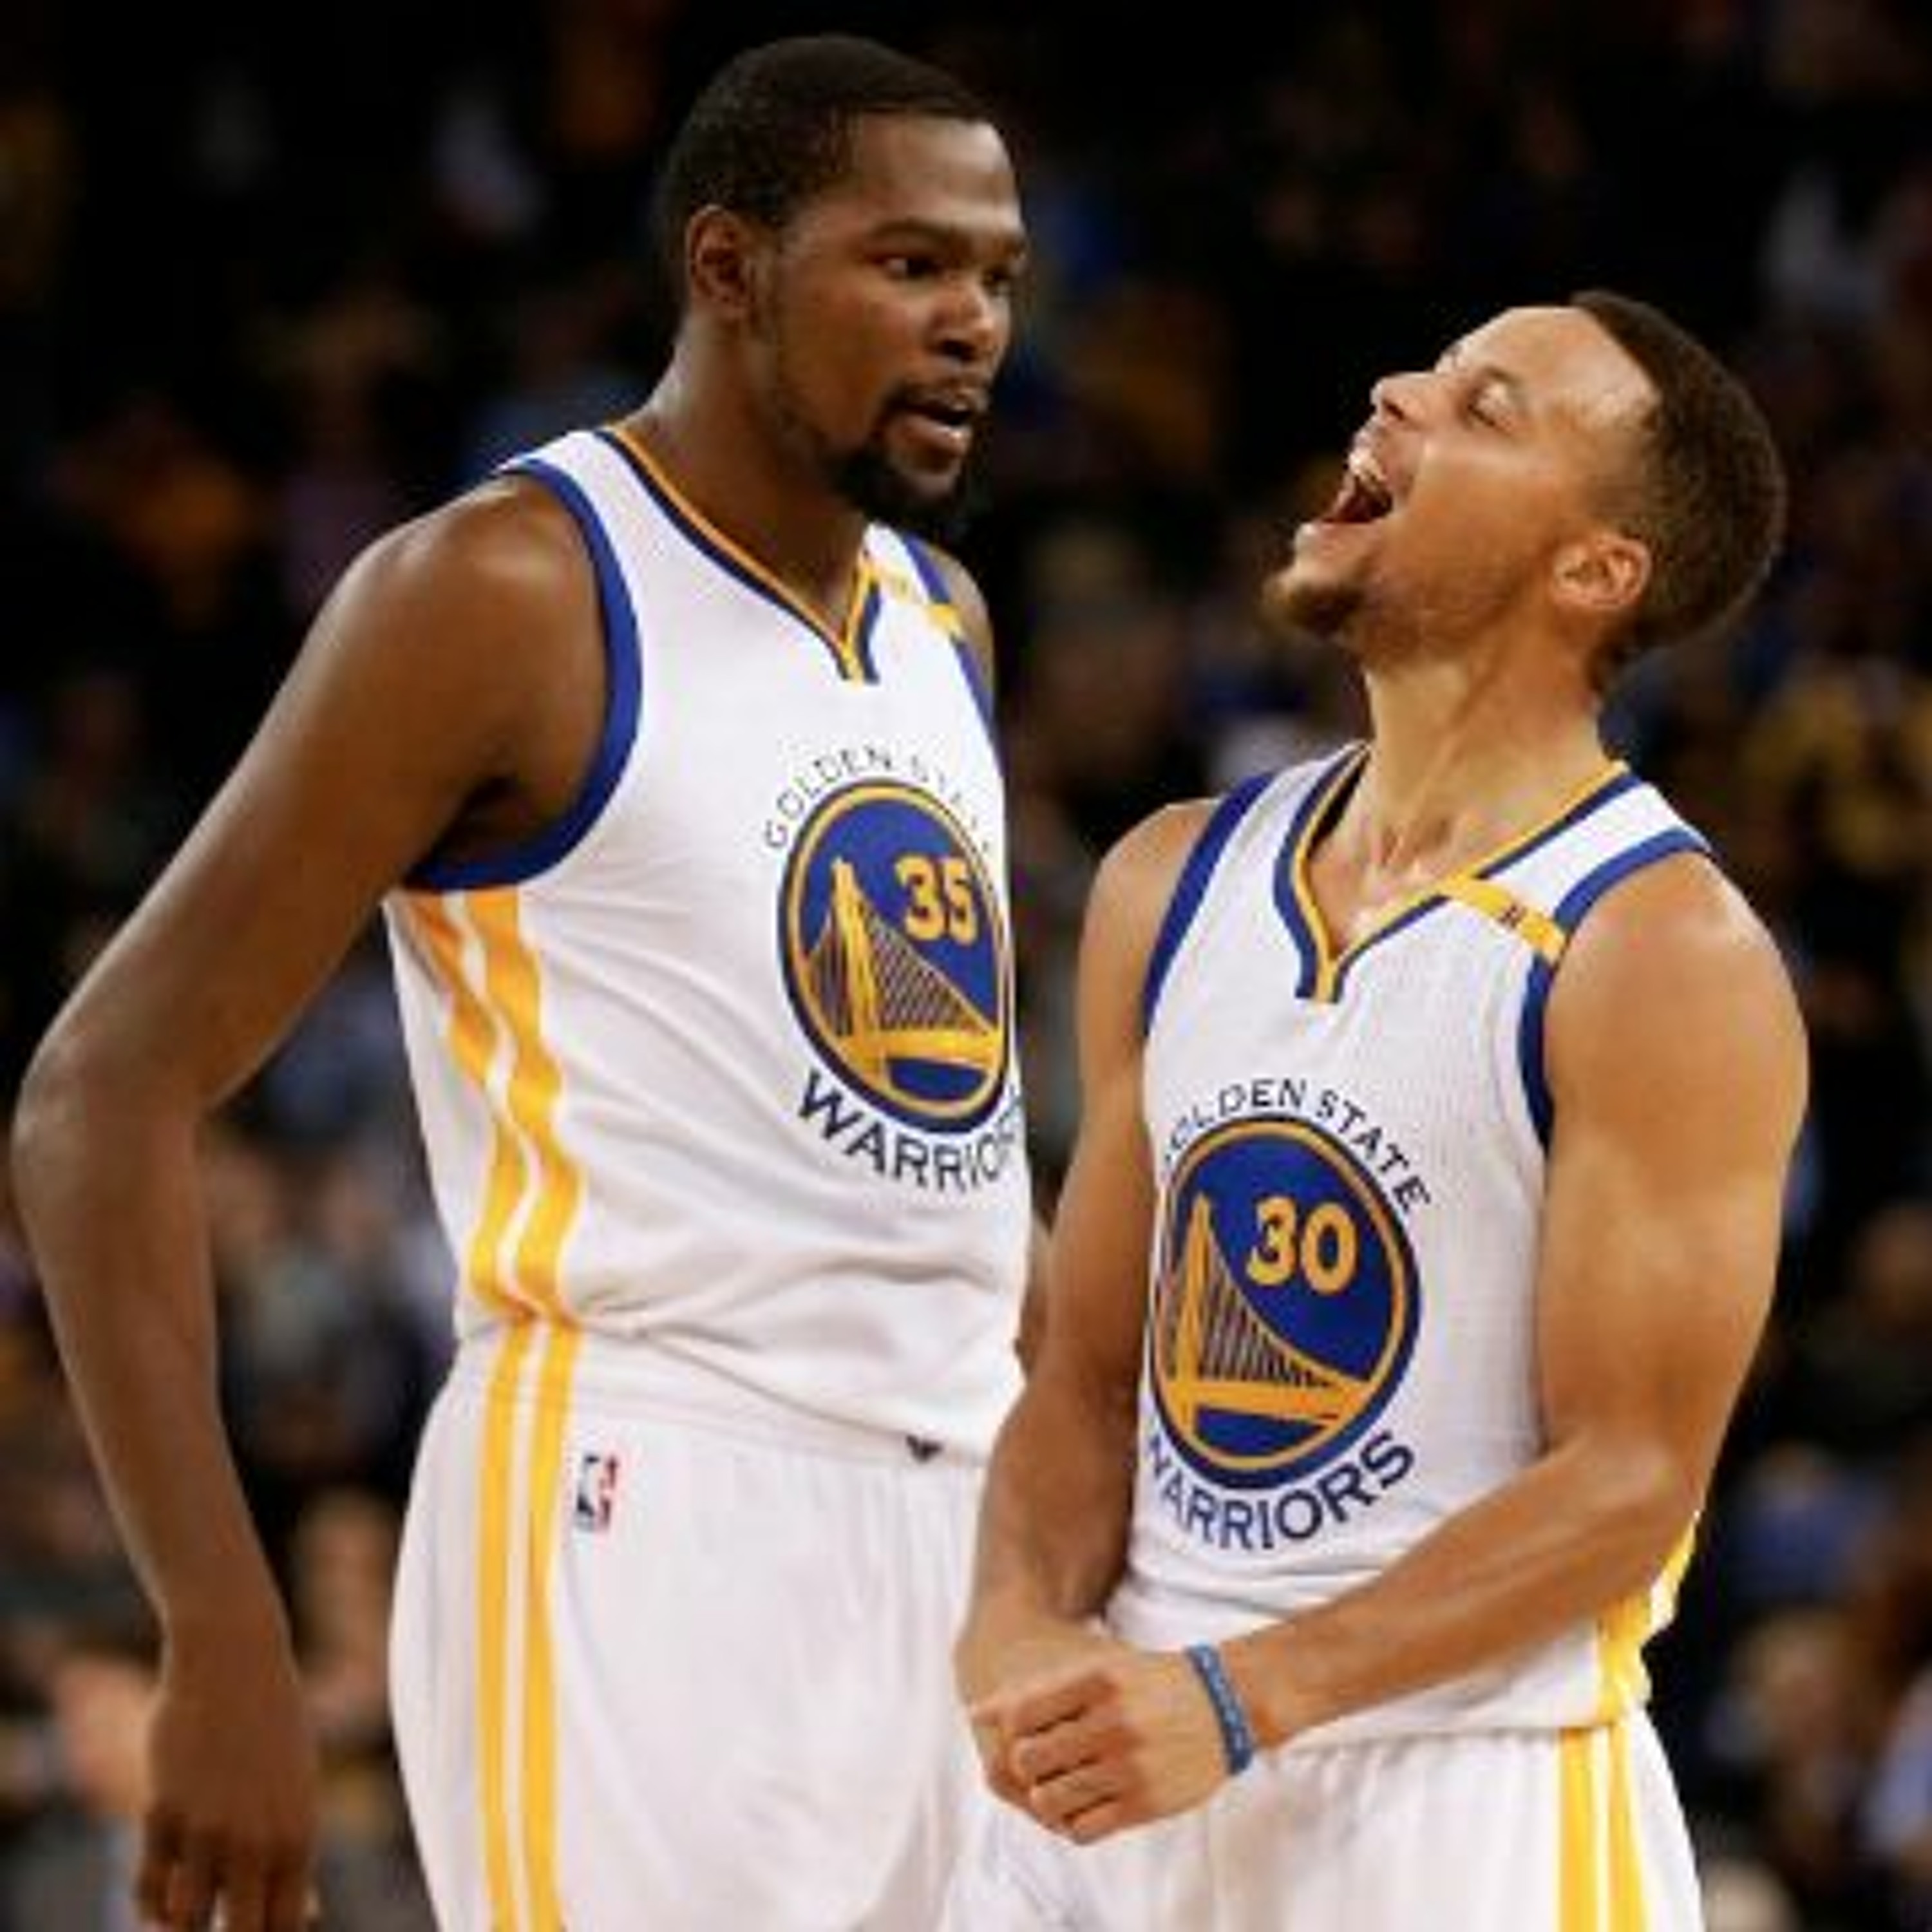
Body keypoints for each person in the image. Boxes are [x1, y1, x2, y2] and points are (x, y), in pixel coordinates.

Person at [12, 33, 1035, 1932]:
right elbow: (100, 1092)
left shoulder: (942, 622)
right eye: (910, 264)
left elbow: (938, 1150)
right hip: (644, 1509)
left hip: (961, 1521)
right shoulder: (505, 591)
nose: (972, 321)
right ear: (728, 268)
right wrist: (217, 1630)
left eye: (997, 276)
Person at [951, 290, 1807, 1929]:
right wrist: (1015, 1626)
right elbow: (1088, 1381)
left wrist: (1243, 1697)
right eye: (1434, 367)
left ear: (1596, 571)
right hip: (1132, 1780)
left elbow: (1632, 1480)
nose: (1399, 388)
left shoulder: (1658, 950)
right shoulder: (1173, 880)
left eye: (1488, 408)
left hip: (1461, 1807)